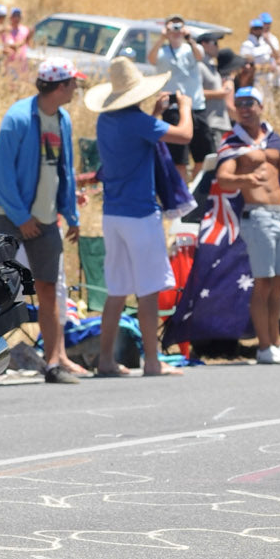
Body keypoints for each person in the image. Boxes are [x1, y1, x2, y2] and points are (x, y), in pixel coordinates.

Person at [84, 57, 190, 377]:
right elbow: (183, 135)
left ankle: (105, 360)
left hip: (113, 214)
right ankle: (153, 362)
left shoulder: (107, 121)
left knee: (117, 290)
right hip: (141, 216)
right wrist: (184, 107)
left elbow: (140, 139)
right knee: (149, 290)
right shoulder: (138, 122)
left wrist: (155, 114)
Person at [0, 58, 91, 383]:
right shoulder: (17, 119)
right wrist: (21, 218)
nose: (76, 88)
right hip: (10, 218)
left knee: (49, 288)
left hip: (46, 220)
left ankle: (53, 363)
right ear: (60, 86)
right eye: (74, 83)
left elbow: (65, 170)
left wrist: (71, 214)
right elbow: (1, 176)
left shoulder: (62, 119)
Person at [216, 86, 280, 365]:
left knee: (279, 283)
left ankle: (276, 342)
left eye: (249, 103)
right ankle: (264, 346)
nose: (244, 108)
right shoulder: (233, 140)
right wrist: (244, 181)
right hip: (256, 216)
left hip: (279, 214)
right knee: (263, 283)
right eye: (239, 103)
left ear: (260, 106)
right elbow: (222, 178)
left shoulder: (272, 138)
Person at [153, 15, 209, 176]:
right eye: (173, 28)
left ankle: (197, 191)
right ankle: (181, 191)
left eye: (179, 27)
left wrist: (189, 38)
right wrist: (162, 37)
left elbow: (200, 56)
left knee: (202, 155)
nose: (176, 31)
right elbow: (151, 59)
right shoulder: (162, 51)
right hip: (173, 107)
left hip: (196, 105)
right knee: (179, 158)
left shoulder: (191, 48)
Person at [0, 6, 33, 80]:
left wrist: (30, 37)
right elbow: (10, 45)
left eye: (18, 16)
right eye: (15, 16)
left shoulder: (25, 29)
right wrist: (24, 41)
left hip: (22, 63)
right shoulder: (7, 30)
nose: (17, 18)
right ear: (10, 17)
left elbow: (30, 45)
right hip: (10, 64)